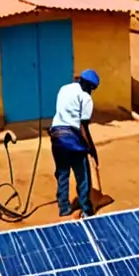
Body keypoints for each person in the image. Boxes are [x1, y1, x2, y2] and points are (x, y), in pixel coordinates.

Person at [50, 70, 100, 218]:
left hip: (57, 136)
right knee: (82, 175)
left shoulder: (64, 89)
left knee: (62, 173)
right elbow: (83, 126)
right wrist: (91, 148)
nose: (90, 91)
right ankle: (86, 209)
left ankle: (64, 207)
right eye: (91, 88)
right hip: (72, 139)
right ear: (88, 86)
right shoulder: (86, 98)